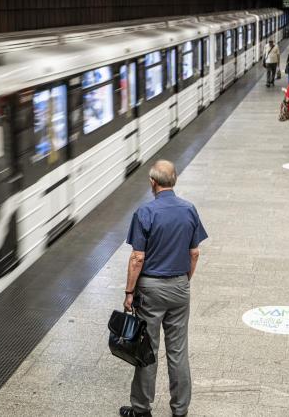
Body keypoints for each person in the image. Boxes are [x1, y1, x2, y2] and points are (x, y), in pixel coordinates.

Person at [119, 160, 207, 417]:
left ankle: (141, 410)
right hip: (179, 286)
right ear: (174, 180)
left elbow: (137, 258)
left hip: (150, 290)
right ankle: (180, 410)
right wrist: (183, 281)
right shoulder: (189, 210)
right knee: (178, 351)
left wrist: (129, 292)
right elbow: (194, 254)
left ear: (152, 183)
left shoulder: (145, 212)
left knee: (147, 349)